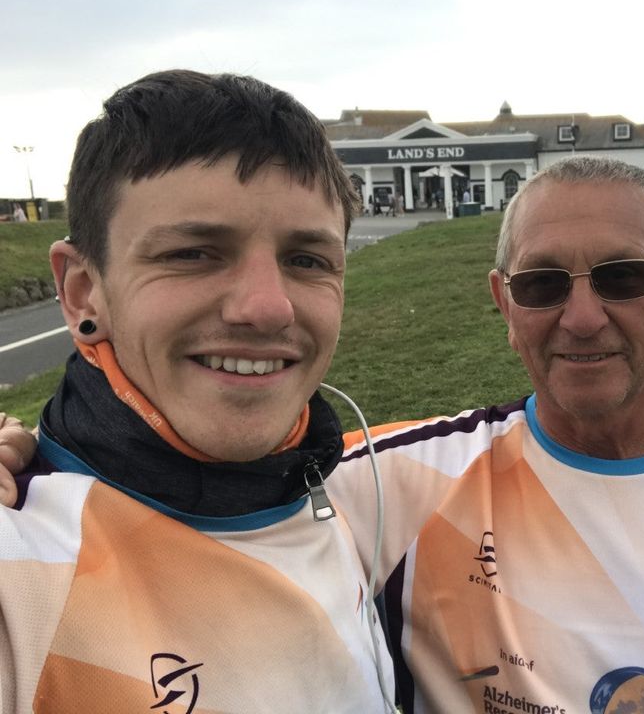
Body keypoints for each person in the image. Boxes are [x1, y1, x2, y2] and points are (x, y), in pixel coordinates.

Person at [1, 157, 644, 713]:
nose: (582, 319)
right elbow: (184, 484)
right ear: (504, 305)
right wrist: (21, 451)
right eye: (543, 285)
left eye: (622, 278)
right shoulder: (388, 484)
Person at [0, 69, 393, 713]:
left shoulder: (355, 486)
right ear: (80, 292)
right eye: (193, 253)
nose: (268, 309)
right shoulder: (20, 564)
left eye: (308, 260)